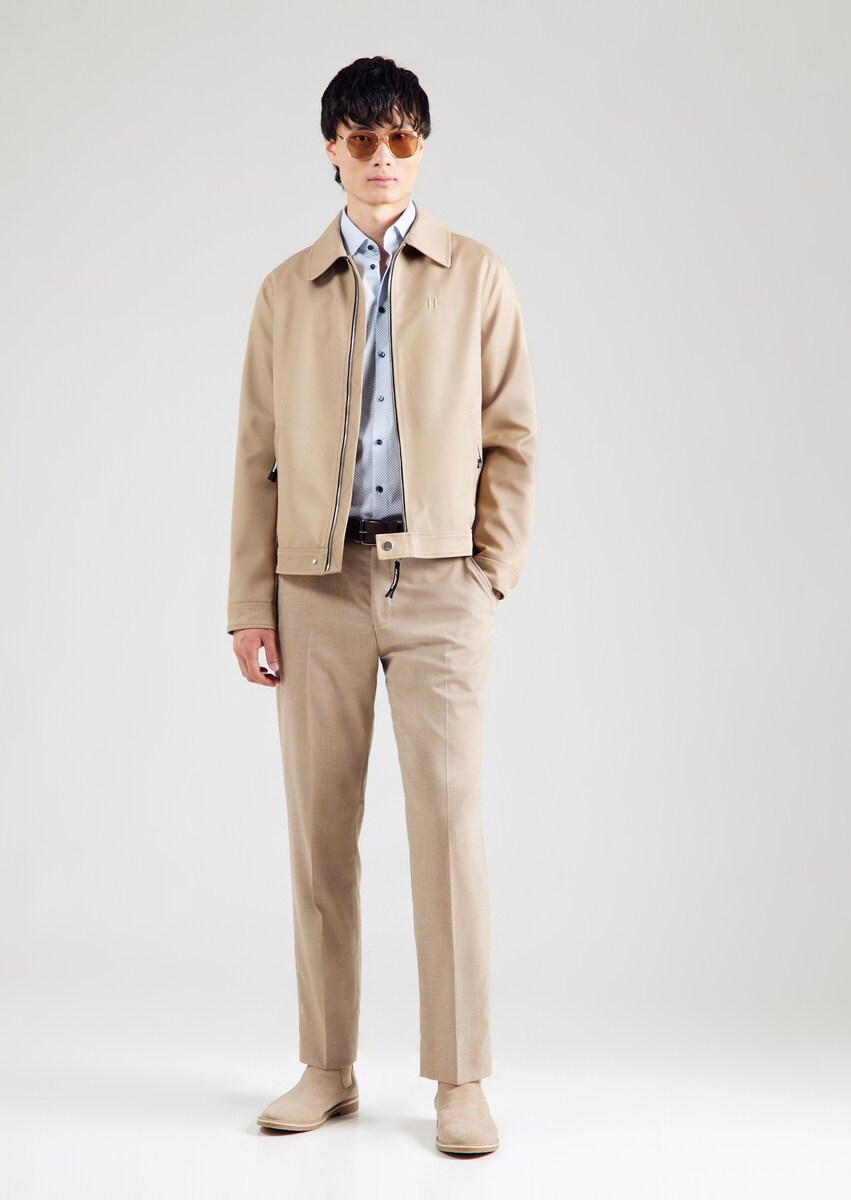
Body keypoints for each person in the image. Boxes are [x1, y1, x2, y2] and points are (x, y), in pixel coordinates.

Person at [227, 55, 536, 1157]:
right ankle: (327, 1066)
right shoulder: (285, 291)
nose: (383, 158)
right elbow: (255, 458)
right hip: (315, 588)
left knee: (447, 827)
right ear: (331, 150)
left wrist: (490, 570)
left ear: (422, 148)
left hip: (442, 585)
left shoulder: (476, 276)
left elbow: (513, 435)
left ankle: (460, 1079)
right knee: (320, 831)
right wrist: (249, 603)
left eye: (402, 138)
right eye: (362, 140)